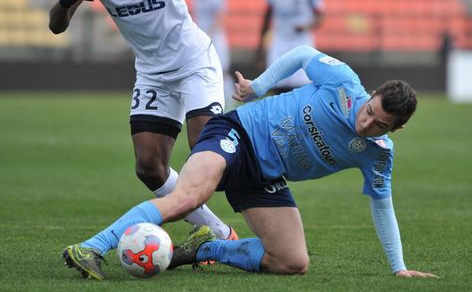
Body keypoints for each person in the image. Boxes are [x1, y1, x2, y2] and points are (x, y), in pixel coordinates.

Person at [62, 45, 438, 280]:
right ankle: (91, 248)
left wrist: (398, 267)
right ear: (370, 95)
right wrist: (258, 86)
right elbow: (303, 55)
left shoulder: (378, 155)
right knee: (188, 198)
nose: (365, 123)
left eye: (379, 125)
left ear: (396, 130)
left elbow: (382, 205)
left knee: (292, 261)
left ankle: (205, 247)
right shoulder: (343, 83)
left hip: (265, 175)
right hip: (239, 134)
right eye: (369, 111)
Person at [49, 0, 243, 240]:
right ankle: (218, 233)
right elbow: (56, 26)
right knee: (149, 167)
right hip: (153, 73)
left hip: (194, 62)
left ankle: (255, 171)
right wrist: (65, 2)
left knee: (206, 159)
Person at [255, 0, 325, 94]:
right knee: (277, 85)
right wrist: (261, 48)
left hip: (301, 41)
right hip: (279, 40)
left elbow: (320, 15)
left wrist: (307, 26)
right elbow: (267, 17)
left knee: (302, 86)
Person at [191, 0, 235, 110]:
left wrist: (210, 32)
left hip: (216, 38)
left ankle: (230, 103)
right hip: (202, 39)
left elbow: (220, 17)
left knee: (223, 71)